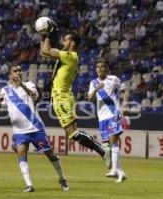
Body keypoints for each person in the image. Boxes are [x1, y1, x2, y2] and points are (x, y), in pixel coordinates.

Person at [39, 21, 111, 168]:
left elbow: (46, 51)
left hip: (62, 97)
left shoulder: (70, 56)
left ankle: (103, 151)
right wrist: (43, 35)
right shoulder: (68, 57)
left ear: (72, 43)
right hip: (62, 96)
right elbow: (43, 51)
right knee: (72, 132)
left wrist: (47, 34)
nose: (62, 42)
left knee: (72, 133)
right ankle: (103, 150)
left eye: (65, 40)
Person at [0, 64, 69, 192]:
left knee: (50, 154)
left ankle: (62, 178)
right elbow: (0, 109)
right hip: (19, 131)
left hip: (35, 127)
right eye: (15, 71)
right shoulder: (5, 90)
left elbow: (35, 97)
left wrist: (22, 85)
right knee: (21, 152)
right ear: (9, 75)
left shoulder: (30, 84)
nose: (18, 73)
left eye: (19, 70)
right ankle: (29, 185)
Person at [88, 57, 128, 183]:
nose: (100, 69)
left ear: (106, 68)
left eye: (103, 66)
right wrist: (96, 88)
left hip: (113, 114)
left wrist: (125, 104)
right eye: (98, 67)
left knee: (113, 141)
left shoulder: (114, 79)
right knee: (108, 146)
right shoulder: (93, 82)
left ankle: (114, 169)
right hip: (102, 117)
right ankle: (121, 173)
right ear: (96, 69)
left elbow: (125, 91)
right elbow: (89, 98)